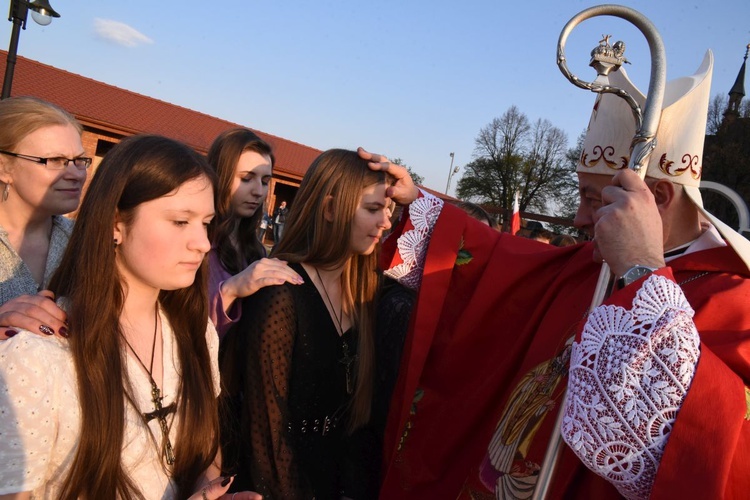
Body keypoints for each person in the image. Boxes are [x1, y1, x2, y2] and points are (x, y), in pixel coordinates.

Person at [364, 49, 750, 499]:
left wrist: (643, 273)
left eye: (593, 198)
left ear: (658, 197)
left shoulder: (733, 302)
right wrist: (418, 206)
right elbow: (501, 266)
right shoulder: (590, 265)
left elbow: (712, 453)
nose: (580, 218)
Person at [0, 134, 260, 499]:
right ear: (115, 224)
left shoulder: (196, 332)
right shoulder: (36, 356)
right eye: (180, 221)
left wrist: (209, 491)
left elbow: (205, 454)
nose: (202, 243)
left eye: (206, 223)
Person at [219, 149, 393, 498]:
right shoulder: (281, 294)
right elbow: (267, 440)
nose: (385, 223)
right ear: (330, 209)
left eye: (389, 211)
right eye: (373, 209)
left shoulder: (366, 293)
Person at [0, 96, 86, 340]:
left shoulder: (84, 242)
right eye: (55, 161)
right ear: (4, 167)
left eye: (79, 160)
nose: (76, 174)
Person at [206, 128, 302, 339]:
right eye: (247, 178)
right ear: (219, 175)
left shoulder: (255, 248)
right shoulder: (197, 245)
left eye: (265, 181)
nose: (259, 191)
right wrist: (230, 290)